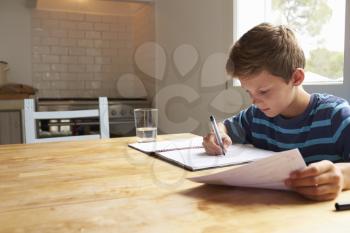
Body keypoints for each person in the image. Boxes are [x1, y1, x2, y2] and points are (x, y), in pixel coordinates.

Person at [202, 23, 350, 201]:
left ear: (296, 78)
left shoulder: (335, 116)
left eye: (263, 91)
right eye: (249, 91)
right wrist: (216, 135)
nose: (254, 101)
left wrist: (342, 176)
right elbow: (224, 127)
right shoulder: (257, 116)